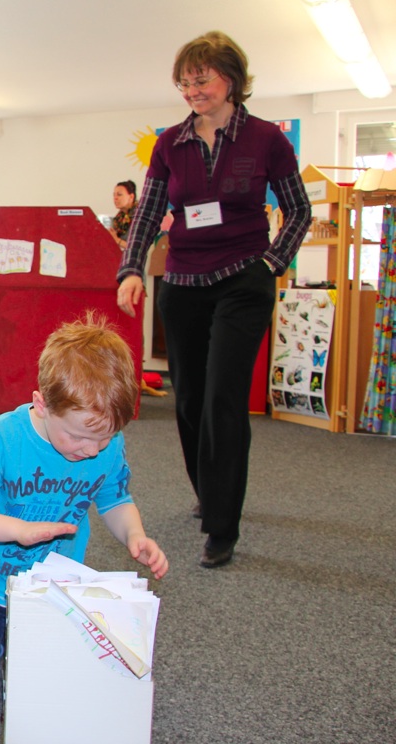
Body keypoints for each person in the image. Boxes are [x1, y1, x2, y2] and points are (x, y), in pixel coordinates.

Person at [115, 30, 311, 568]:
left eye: (201, 80)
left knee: (224, 398)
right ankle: (210, 490)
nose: (192, 91)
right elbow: (148, 212)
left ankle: (223, 526)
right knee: (190, 400)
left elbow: (299, 209)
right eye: (184, 83)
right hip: (183, 283)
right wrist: (131, 269)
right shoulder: (170, 144)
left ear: (231, 78)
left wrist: (272, 263)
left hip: (242, 279)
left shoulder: (267, 139)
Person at [0, 314, 169, 711]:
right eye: (78, 436)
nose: (92, 450)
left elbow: (114, 498)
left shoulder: (105, 443)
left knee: (49, 693)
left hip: (53, 588)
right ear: (42, 404)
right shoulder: (2, 437)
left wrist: (135, 534)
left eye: (104, 437)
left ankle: (17, 647)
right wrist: (17, 530)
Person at [109, 179, 137, 250]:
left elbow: (137, 247)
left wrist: (117, 240)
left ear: (131, 197)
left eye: (119, 195)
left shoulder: (138, 216)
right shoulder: (118, 218)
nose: (115, 198)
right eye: (114, 195)